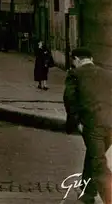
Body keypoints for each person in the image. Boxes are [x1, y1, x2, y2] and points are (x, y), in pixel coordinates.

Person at [64, 48, 112, 204]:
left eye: (73, 62)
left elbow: (69, 99)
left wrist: (76, 122)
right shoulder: (107, 74)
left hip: (93, 125)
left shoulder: (74, 74)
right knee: (94, 156)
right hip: (110, 124)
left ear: (76, 59)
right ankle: (88, 192)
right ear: (91, 58)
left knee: (98, 162)